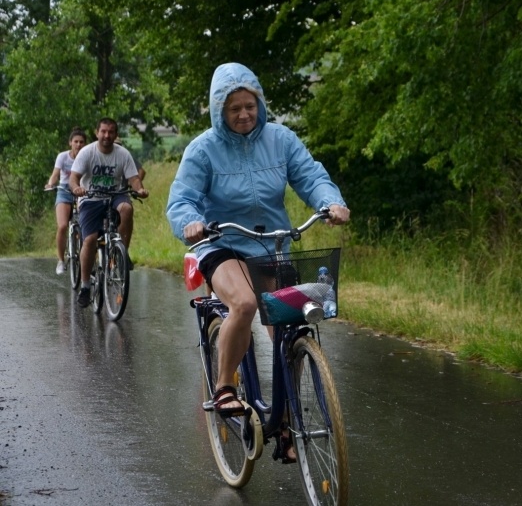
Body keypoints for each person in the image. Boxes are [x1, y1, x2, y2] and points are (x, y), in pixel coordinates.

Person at [166, 63, 349, 458]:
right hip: (221, 243)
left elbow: (310, 175)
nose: (244, 114)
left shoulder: (281, 139)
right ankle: (224, 387)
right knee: (245, 304)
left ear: (260, 104)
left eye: (250, 105)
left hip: (271, 242)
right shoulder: (203, 149)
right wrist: (190, 223)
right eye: (234, 108)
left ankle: (285, 421)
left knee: (290, 324)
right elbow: (181, 200)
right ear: (220, 111)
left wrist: (330, 202)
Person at [69, 118, 149, 307]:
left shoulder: (123, 154)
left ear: (115, 134)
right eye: (103, 131)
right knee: (89, 239)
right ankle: (86, 285)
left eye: (111, 132)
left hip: (115, 196)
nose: (107, 136)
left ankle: (120, 252)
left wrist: (140, 189)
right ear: (97, 132)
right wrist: (76, 189)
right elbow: (74, 178)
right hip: (91, 197)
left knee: (127, 209)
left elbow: (134, 179)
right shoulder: (87, 152)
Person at [45, 127, 87, 275]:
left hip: (82, 192)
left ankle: (87, 258)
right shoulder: (63, 157)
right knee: (62, 226)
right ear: (70, 143)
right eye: (76, 141)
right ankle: (61, 260)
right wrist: (50, 183)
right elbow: (55, 174)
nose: (78, 145)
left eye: (82, 142)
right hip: (64, 191)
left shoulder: (87, 156)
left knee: (87, 226)